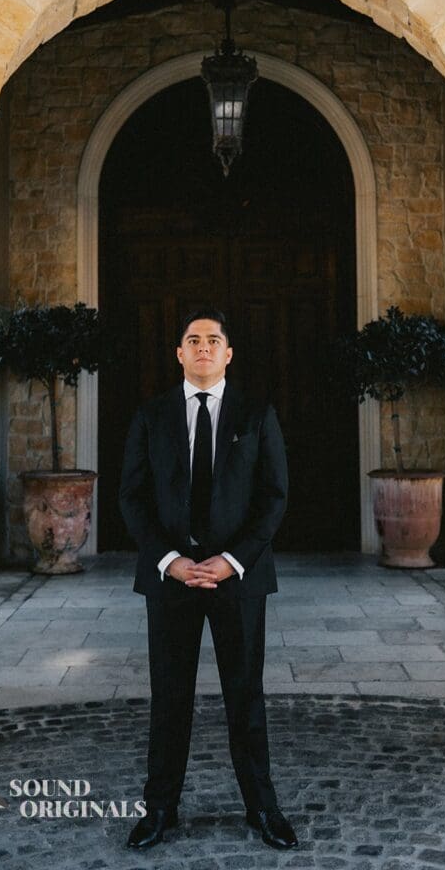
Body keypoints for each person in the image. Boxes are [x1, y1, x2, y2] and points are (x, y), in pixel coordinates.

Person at [119, 306, 297, 851]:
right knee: (169, 697)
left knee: (246, 696)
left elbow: (274, 496)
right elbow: (132, 497)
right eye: (192, 340)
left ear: (228, 353)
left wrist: (232, 560)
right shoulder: (151, 416)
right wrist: (170, 560)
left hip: (237, 579)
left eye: (212, 340)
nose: (202, 348)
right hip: (171, 579)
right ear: (178, 353)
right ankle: (160, 810)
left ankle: (263, 810)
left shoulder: (256, 413)